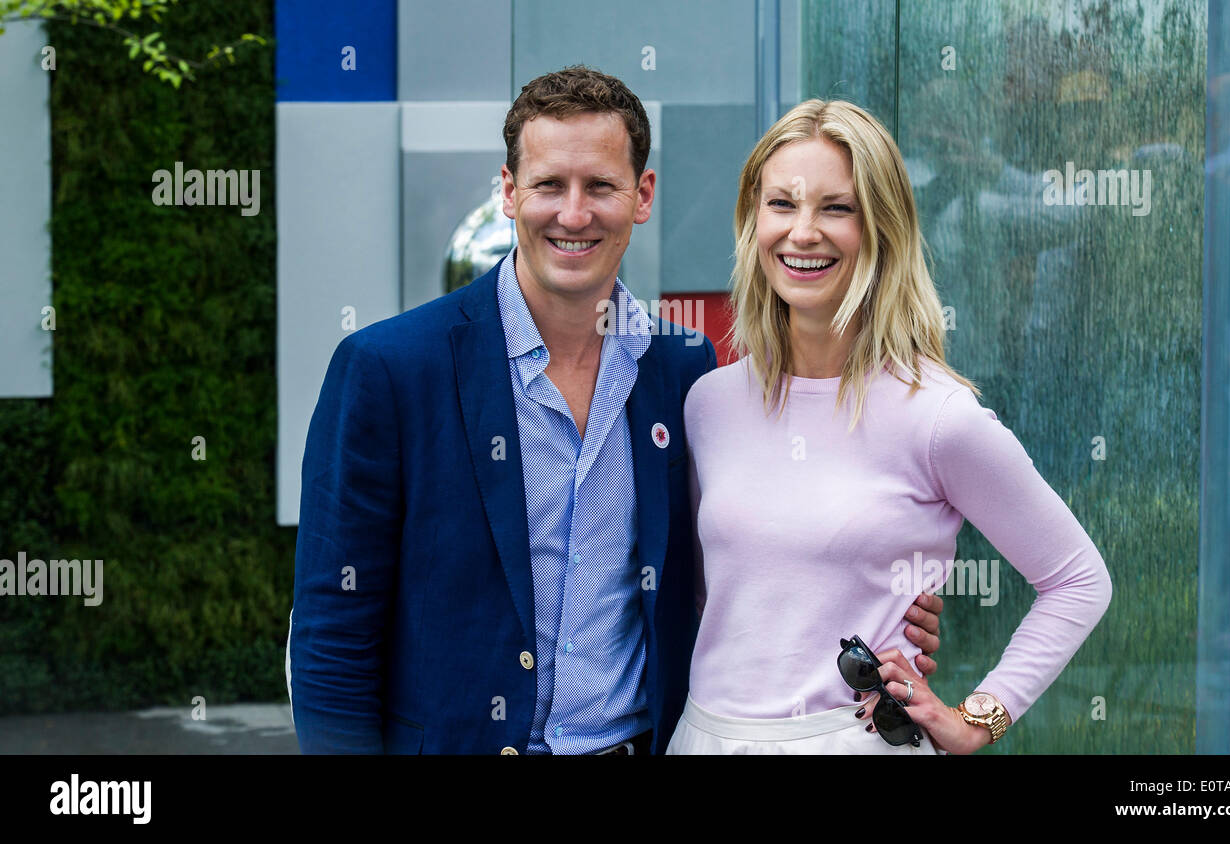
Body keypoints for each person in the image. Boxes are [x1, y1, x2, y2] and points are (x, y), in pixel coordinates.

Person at [288, 67, 946, 754]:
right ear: (510, 193)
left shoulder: (683, 370)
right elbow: (334, 630)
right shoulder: (390, 370)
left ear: (643, 195)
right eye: (549, 185)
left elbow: (746, 556)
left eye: (600, 185)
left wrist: (881, 600)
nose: (574, 214)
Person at [667, 99, 1112, 755]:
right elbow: (723, 595)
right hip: (705, 737)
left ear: (883, 229)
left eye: (836, 208)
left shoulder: (936, 417)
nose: (803, 232)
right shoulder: (709, 402)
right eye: (782, 205)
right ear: (752, 221)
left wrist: (978, 719)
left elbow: (1077, 580)